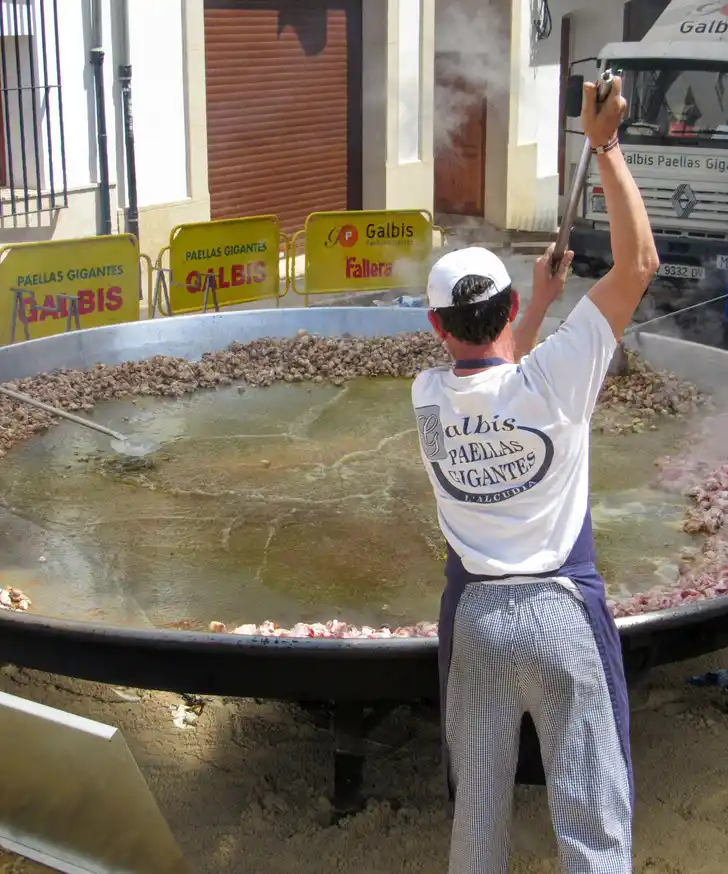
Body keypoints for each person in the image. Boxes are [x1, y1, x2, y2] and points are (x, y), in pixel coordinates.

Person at [412, 76, 659, 874]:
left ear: (435, 325)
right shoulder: (556, 381)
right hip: (561, 615)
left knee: (477, 817)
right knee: (591, 820)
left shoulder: (426, 398)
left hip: (477, 623)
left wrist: (535, 304)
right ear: (511, 308)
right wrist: (605, 146)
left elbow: (488, 378)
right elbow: (639, 264)